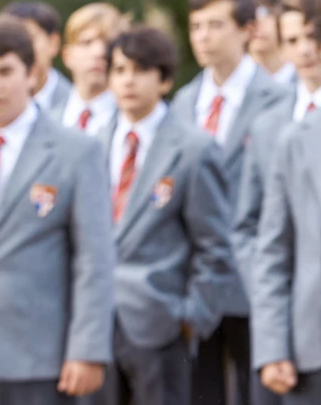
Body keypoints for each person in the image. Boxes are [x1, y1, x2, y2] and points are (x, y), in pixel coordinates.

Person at [0, 14, 114, 404]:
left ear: (31, 74)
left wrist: (87, 349)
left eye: (5, 71)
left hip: (41, 355)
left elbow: (94, 259)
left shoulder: (77, 151)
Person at [83, 26, 236, 405]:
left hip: (161, 324)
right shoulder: (91, 145)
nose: (128, 80)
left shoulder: (194, 149)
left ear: (165, 79)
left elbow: (215, 246)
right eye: (119, 70)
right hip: (96, 326)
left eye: (140, 70)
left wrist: (191, 318)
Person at [170, 0, 290, 405]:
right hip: (195, 282)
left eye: (215, 25)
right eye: (196, 26)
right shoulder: (182, 104)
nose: (203, 36)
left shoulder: (280, 100)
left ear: (248, 29)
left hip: (252, 278)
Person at [246, 17, 321, 405]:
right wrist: (272, 345)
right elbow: (271, 249)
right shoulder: (293, 138)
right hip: (312, 342)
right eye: (294, 40)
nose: (307, 49)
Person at [53, 2, 129, 134]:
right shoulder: (47, 119)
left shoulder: (131, 123)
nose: (99, 52)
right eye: (87, 42)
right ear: (67, 56)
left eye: (109, 44)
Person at [3, 0, 73, 111]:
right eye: (12, 41)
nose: (20, 49)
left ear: (53, 43)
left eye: (29, 39)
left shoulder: (76, 106)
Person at [249, 0, 296, 84]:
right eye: (252, 12)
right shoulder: (230, 82)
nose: (258, 21)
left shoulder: (306, 81)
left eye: (267, 12)